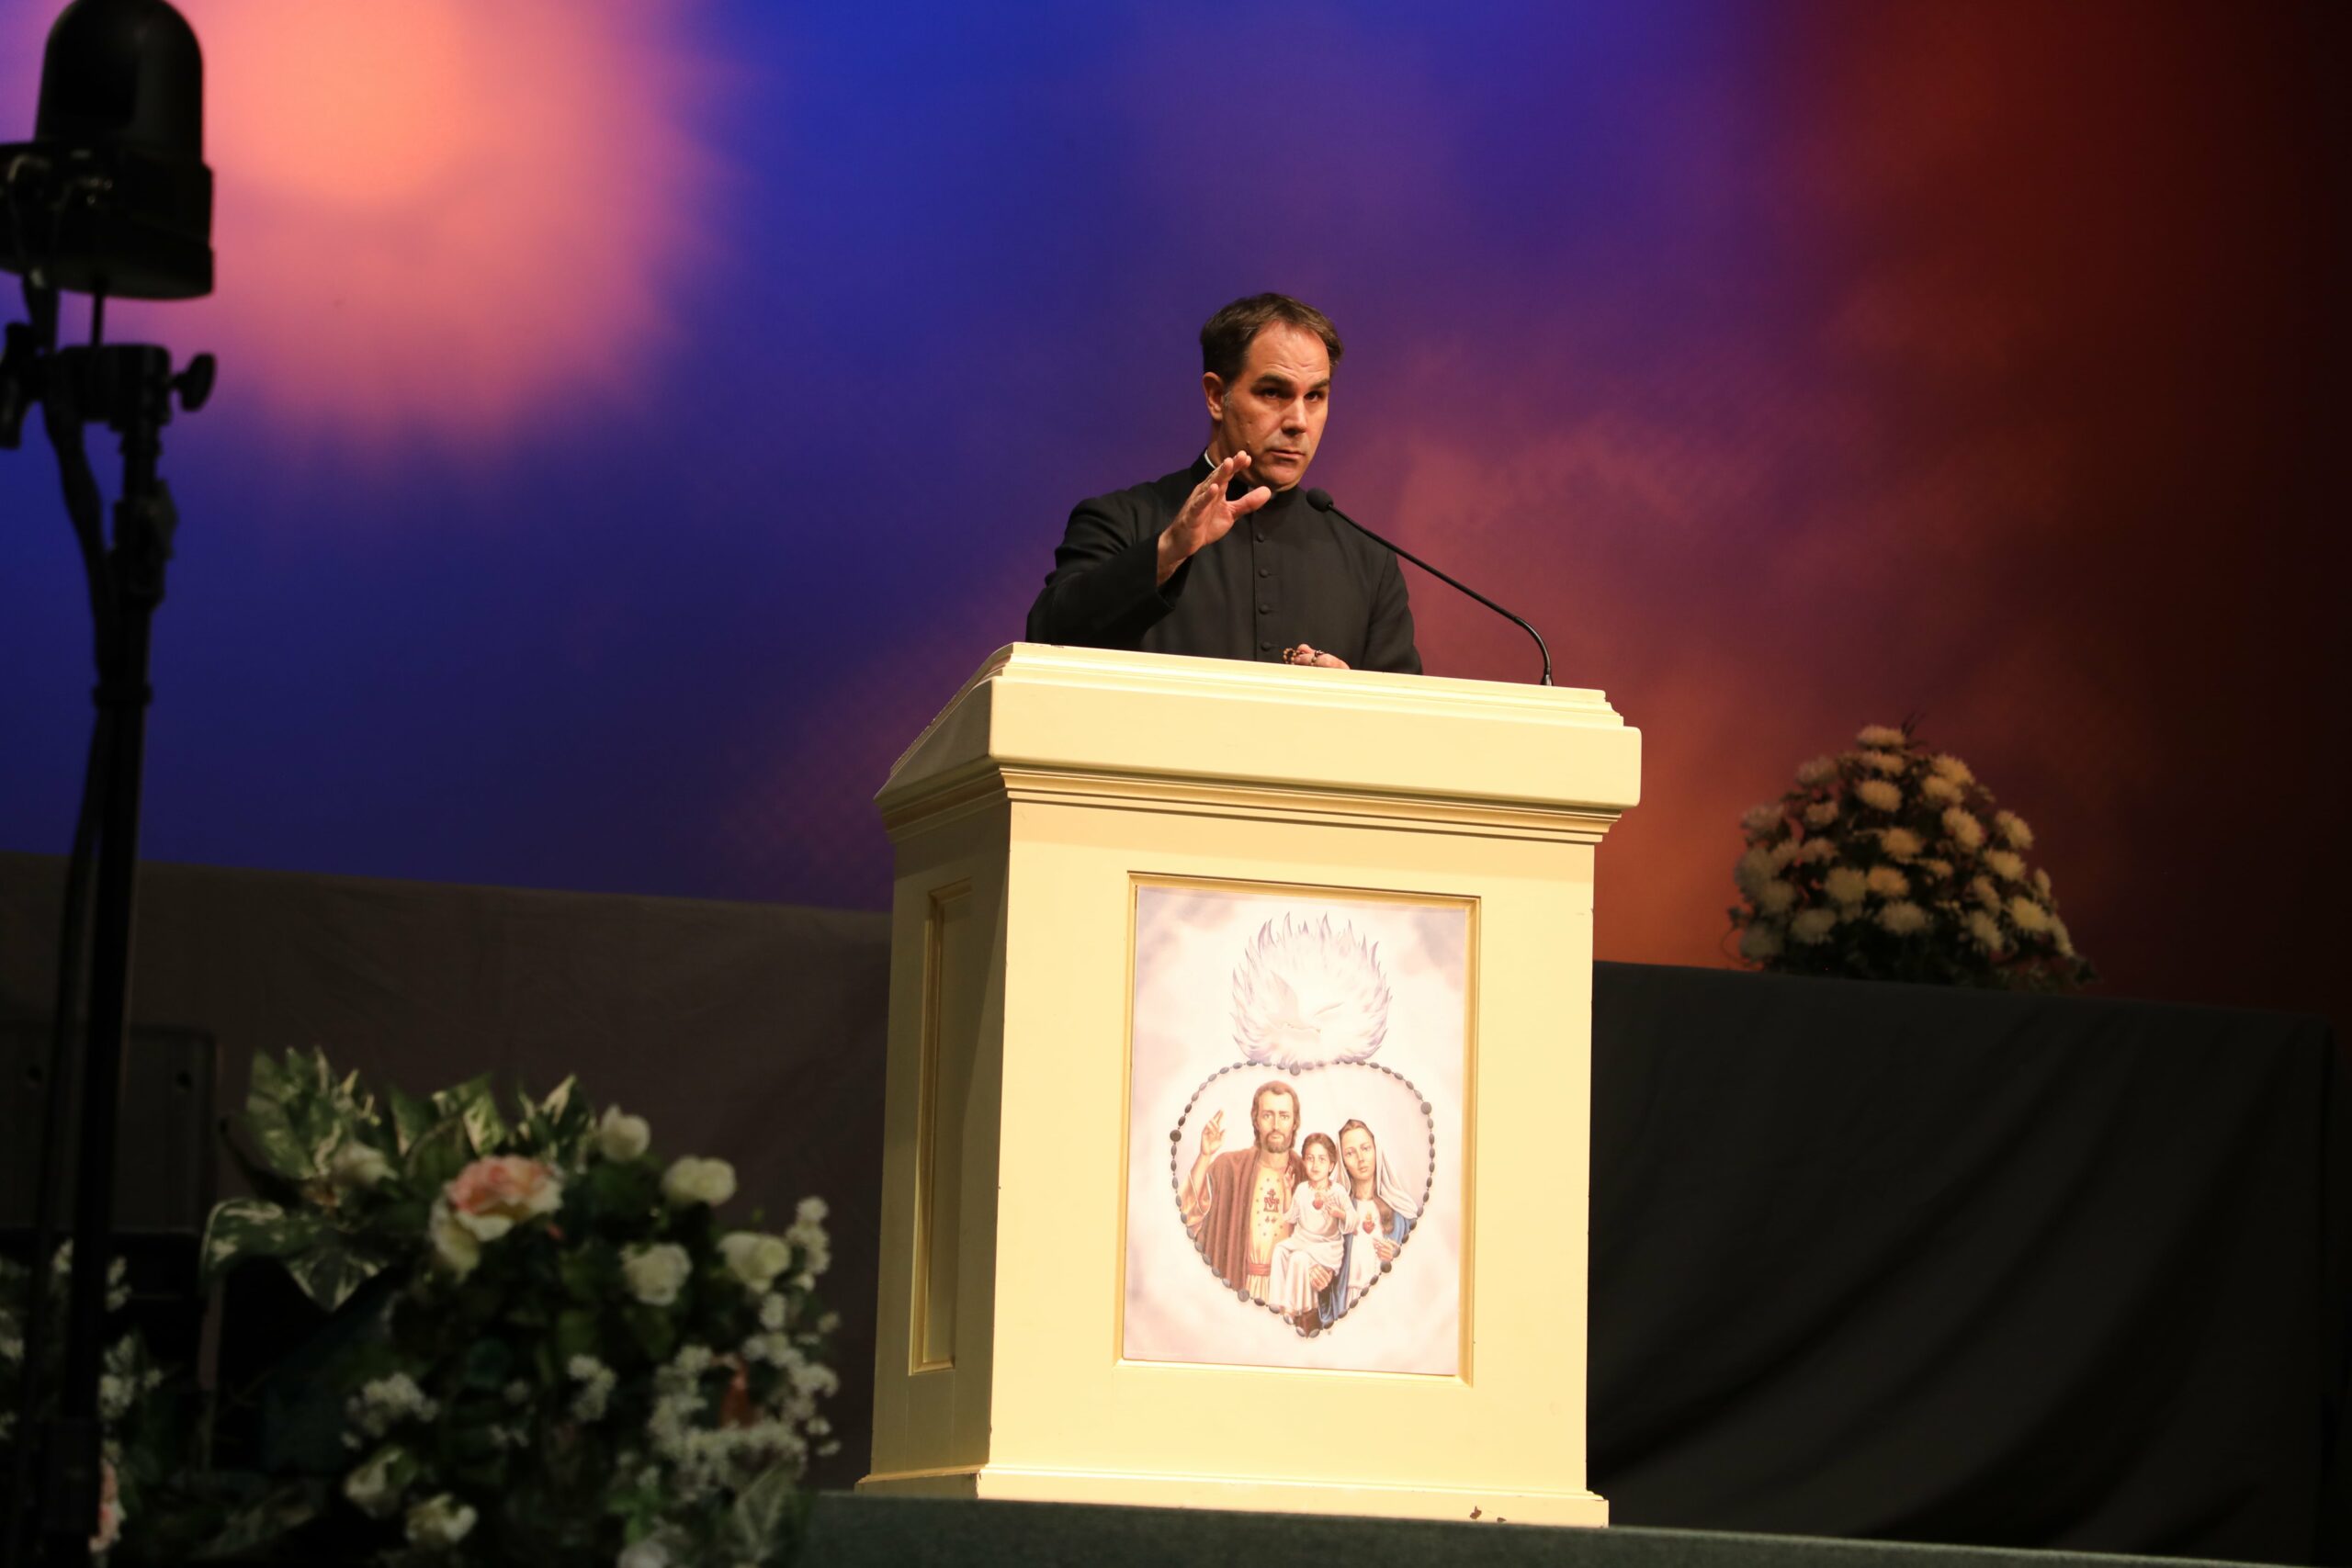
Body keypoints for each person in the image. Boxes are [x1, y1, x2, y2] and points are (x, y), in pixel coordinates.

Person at [1024, 293, 1420, 673]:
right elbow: (1048, 639)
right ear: (1216, 396)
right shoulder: (1121, 520)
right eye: (1273, 392)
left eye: (1315, 396)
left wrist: (1353, 695)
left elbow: (1405, 712)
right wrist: (1168, 551)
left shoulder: (1370, 561)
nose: (1299, 422)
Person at [1179, 1080, 1308, 1298]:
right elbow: (1186, 1215)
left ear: (1295, 1122)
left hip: (1289, 1296)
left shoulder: (1307, 1176)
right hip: (1239, 1290)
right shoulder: (1230, 1168)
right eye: (1268, 1115)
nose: (1276, 1125)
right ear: (1255, 1120)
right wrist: (1205, 1156)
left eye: (1284, 1116)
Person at [1317, 1117, 1420, 1325]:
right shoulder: (1337, 1214)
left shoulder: (1402, 1214)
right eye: (1350, 1153)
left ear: (1376, 1150)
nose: (1361, 1158)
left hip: (1388, 1313)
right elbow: (1326, 1279)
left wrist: (1396, 1257)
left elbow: (1419, 1276)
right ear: (1342, 1162)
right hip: (1346, 1308)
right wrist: (1321, 1281)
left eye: (1365, 1149)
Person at [1266, 1133, 1353, 1324]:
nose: (1315, 1165)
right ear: (1304, 1161)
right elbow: (1290, 1216)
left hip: (1326, 1248)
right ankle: (1277, 1305)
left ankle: (1292, 1310)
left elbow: (1353, 1221)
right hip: (1302, 1240)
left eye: (1322, 1160)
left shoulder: (1338, 1191)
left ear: (1331, 1165)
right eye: (1310, 1159)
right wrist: (1287, 1189)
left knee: (1298, 1258)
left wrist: (1339, 1213)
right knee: (1279, 1250)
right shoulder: (1302, 1189)